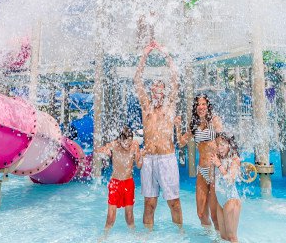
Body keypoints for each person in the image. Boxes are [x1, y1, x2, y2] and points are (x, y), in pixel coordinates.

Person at [134, 40, 182, 230]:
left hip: (166, 158)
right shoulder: (146, 107)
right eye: (153, 86)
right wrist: (145, 55)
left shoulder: (169, 107)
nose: (156, 89)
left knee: (174, 203)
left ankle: (180, 236)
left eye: (160, 86)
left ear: (163, 91)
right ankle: (148, 237)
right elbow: (137, 80)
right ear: (151, 91)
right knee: (149, 203)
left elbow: (175, 80)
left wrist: (166, 55)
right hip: (148, 159)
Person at [177, 94, 223, 229]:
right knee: (201, 213)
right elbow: (181, 143)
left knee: (214, 215)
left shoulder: (214, 121)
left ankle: (219, 238)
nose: (201, 107)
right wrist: (178, 127)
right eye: (198, 104)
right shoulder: (194, 124)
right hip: (201, 170)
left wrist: (223, 165)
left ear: (208, 106)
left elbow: (222, 142)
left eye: (203, 104)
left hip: (214, 170)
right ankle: (208, 237)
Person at [94, 126, 143, 231]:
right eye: (126, 143)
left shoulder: (134, 145)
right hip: (115, 184)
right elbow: (97, 150)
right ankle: (104, 236)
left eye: (130, 143)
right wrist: (105, 151)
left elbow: (139, 166)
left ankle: (133, 235)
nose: (128, 146)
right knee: (111, 217)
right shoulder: (114, 145)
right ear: (120, 140)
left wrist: (140, 158)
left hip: (128, 183)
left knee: (129, 216)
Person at [210, 133, 242, 242]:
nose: (220, 147)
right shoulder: (218, 159)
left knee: (232, 237)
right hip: (221, 201)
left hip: (231, 200)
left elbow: (230, 179)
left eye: (223, 145)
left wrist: (218, 164)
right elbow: (213, 180)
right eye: (218, 144)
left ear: (230, 145)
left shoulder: (234, 159)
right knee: (223, 237)